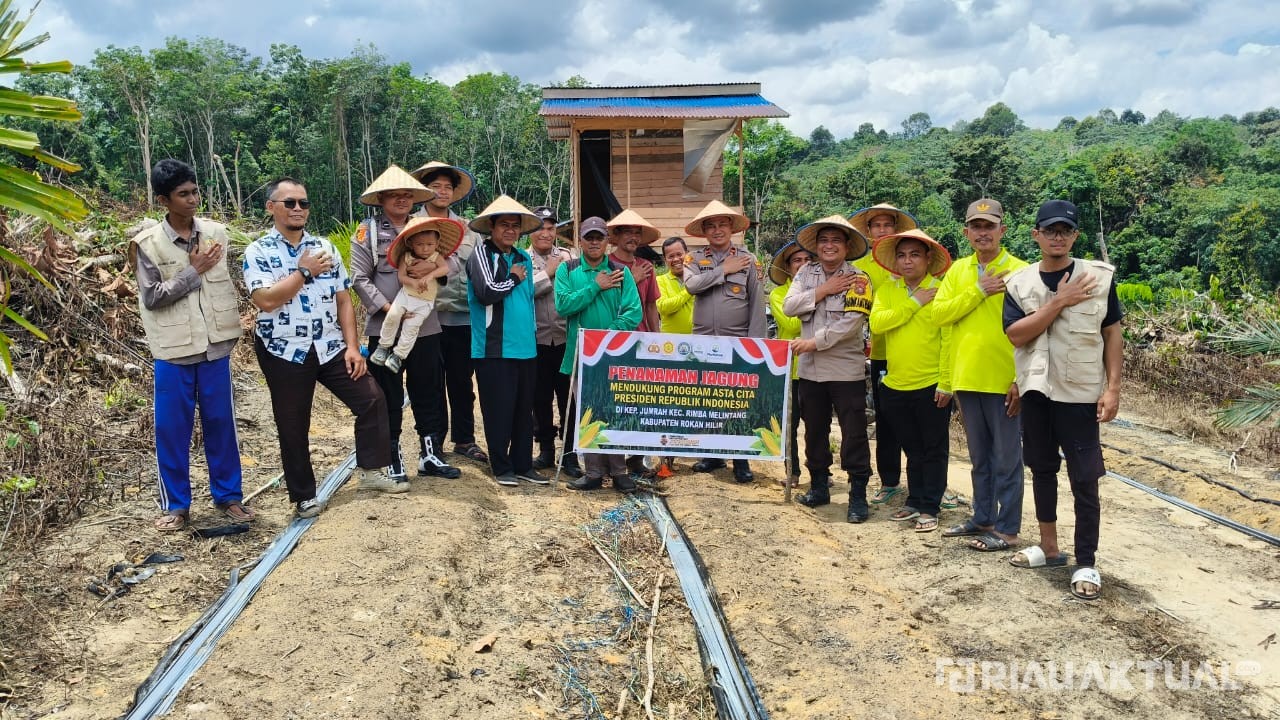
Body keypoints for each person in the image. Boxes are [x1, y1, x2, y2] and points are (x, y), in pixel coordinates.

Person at [244, 178, 404, 518]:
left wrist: (352, 346)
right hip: (284, 348)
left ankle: (372, 472)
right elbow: (266, 300)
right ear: (271, 207)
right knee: (293, 422)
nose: (298, 209)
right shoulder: (259, 251)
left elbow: (343, 299)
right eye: (289, 203)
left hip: (330, 345)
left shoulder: (325, 247)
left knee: (371, 398)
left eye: (303, 203)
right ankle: (303, 496)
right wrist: (304, 271)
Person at [1004, 199, 1122, 601]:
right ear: (1036, 235)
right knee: (1041, 469)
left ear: (1075, 236)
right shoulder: (1019, 283)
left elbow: (1112, 334)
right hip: (1036, 393)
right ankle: (1049, 548)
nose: (1058, 237)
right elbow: (1016, 335)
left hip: (1080, 394)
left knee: (1085, 478)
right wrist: (1058, 301)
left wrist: (1113, 388)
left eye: (1065, 231)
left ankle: (1086, 561)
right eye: (1050, 230)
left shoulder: (1098, 278)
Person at [130, 159, 247, 531]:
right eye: (183, 194)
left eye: (195, 191)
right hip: (173, 350)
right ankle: (176, 506)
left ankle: (229, 497)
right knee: (172, 430)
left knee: (221, 424)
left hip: (215, 347)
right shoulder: (147, 244)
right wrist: (193, 271)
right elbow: (152, 297)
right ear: (164, 200)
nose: (193, 199)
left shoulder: (216, 233)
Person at [349, 165, 461, 481]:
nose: (401, 199)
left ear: (414, 198)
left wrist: (430, 270)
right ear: (381, 198)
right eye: (393, 195)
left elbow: (451, 262)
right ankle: (392, 458)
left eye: (407, 194)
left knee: (429, 390)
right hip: (385, 326)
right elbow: (358, 277)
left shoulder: (425, 225)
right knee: (387, 395)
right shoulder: (368, 231)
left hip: (425, 326)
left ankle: (430, 455)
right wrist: (388, 309)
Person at [931, 199, 1029, 552]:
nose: (982, 232)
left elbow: (1035, 329)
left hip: (1004, 380)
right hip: (966, 378)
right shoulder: (958, 271)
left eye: (989, 226)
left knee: (1007, 459)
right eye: (976, 226)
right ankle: (983, 517)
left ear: (1003, 230)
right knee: (979, 458)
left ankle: (1007, 529)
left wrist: (1022, 379)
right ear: (966, 232)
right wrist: (978, 290)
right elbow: (939, 315)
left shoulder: (1020, 271)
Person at [782, 215, 875, 522]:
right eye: (824, 240)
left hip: (845, 370)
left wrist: (814, 342)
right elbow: (788, 306)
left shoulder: (859, 279)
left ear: (847, 246)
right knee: (814, 431)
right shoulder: (805, 273)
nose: (829, 245)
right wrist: (823, 290)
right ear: (816, 246)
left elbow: (851, 325)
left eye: (836, 240)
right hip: (811, 371)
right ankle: (819, 487)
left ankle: (858, 495)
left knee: (853, 433)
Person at [869, 229, 954, 533]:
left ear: (928, 259)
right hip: (895, 383)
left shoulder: (941, 290)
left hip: (931, 383)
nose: (908, 261)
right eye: (902, 255)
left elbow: (949, 339)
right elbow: (877, 323)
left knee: (934, 449)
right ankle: (914, 499)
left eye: (915, 254)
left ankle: (930, 506)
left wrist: (946, 382)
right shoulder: (888, 291)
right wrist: (914, 302)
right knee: (912, 448)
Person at [555, 217, 644, 492]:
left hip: (613, 354)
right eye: (589, 237)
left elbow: (633, 312)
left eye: (599, 237)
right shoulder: (568, 269)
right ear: (580, 241)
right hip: (580, 355)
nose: (594, 242)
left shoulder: (620, 272)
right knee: (589, 413)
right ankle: (593, 472)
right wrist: (595, 286)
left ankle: (619, 472)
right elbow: (563, 305)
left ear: (607, 241)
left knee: (614, 411)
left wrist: (606, 336)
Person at [410, 160, 489, 466]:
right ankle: (434, 441)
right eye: (435, 187)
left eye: (447, 187)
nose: (442, 192)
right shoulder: (412, 226)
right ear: (425, 191)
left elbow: (479, 272)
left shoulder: (470, 230)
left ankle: (465, 439)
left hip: (464, 318)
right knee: (429, 382)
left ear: (455, 193)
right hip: (427, 318)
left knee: (462, 382)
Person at [682, 200, 767, 483]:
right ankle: (712, 454)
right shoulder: (693, 259)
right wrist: (724, 270)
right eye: (711, 226)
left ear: (732, 228)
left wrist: (756, 346)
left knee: (736, 401)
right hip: (703, 343)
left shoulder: (749, 260)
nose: (717, 230)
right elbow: (692, 285)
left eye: (722, 224)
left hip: (737, 342)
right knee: (707, 400)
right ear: (704, 231)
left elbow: (757, 304)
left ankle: (741, 459)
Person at [466, 195, 548, 487]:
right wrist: (513, 278)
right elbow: (486, 292)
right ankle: (501, 467)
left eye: (515, 225)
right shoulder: (481, 255)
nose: (510, 230)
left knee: (524, 411)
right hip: (494, 347)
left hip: (526, 347)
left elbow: (528, 301)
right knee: (498, 410)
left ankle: (523, 464)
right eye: (504, 225)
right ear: (492, 227)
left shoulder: (522, 257)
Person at [848, 203, 918, 505]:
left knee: (918, 421)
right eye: (876, 225)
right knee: (886, 419)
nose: (881, 230)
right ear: (868, 230)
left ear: (896, 228)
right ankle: (889, 480)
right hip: (882, 351)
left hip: (917, 352)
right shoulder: (862, 267)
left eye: (887, 225)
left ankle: (926, 484)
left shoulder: (912, 260)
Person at [607, 209, 664, 478]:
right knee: (615, 401)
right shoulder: (606, 264)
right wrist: (632, 277)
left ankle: (636, 457)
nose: (633, 237)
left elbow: (651, 305)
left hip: (642, 341)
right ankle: (613, 460)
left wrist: (657, 338)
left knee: (641, 401)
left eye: (637, 233)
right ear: (616, 236)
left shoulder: (647, 266)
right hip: (615, 340)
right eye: (627, 232)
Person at [527, 206, 582, 477]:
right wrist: (547, 273)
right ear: (530, 231)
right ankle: (546, 449)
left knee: (568, 397)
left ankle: (570, 454)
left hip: (565, 339)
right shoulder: (522, 259)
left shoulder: (570, 258)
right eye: (539, 228)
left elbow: (578, 291)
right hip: (536, 339)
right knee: (540, 398)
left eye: (550, 228)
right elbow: (522, 292)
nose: (545, 233)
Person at [369, 217, 463, 373]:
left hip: (425, 302)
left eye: (430, 244)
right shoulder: (405, 257)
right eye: (420, 244)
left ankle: (398, 355)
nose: (425, 249)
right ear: (410, 243)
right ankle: (383, 346)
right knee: (392, 316)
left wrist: (430, 275)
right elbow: (401, 276)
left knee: (411, 327)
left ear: (437, 244)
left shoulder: (436, 256)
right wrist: (412, 282)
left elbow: (445, 269)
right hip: (405, 296)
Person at [768, 241, 813, 482]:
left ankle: (820, 471)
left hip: (818, 367)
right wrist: (816, 300)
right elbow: (792, 324)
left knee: (817, 425)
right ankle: (792, 472)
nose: (802, 265)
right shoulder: (778, 294)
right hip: (791, 368)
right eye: (797, 260)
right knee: (790, 426)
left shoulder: (822, 287)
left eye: (807, 260)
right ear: (787, 267)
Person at [656, 237, 694, 334]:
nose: (676, 259)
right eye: (671, 256)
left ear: (687, 254)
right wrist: (689, 290)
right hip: (669, 341)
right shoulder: (660, 280)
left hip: (698, 339)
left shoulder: (698, 278)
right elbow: (663, 307)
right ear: (665, 259)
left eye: (679, 254)